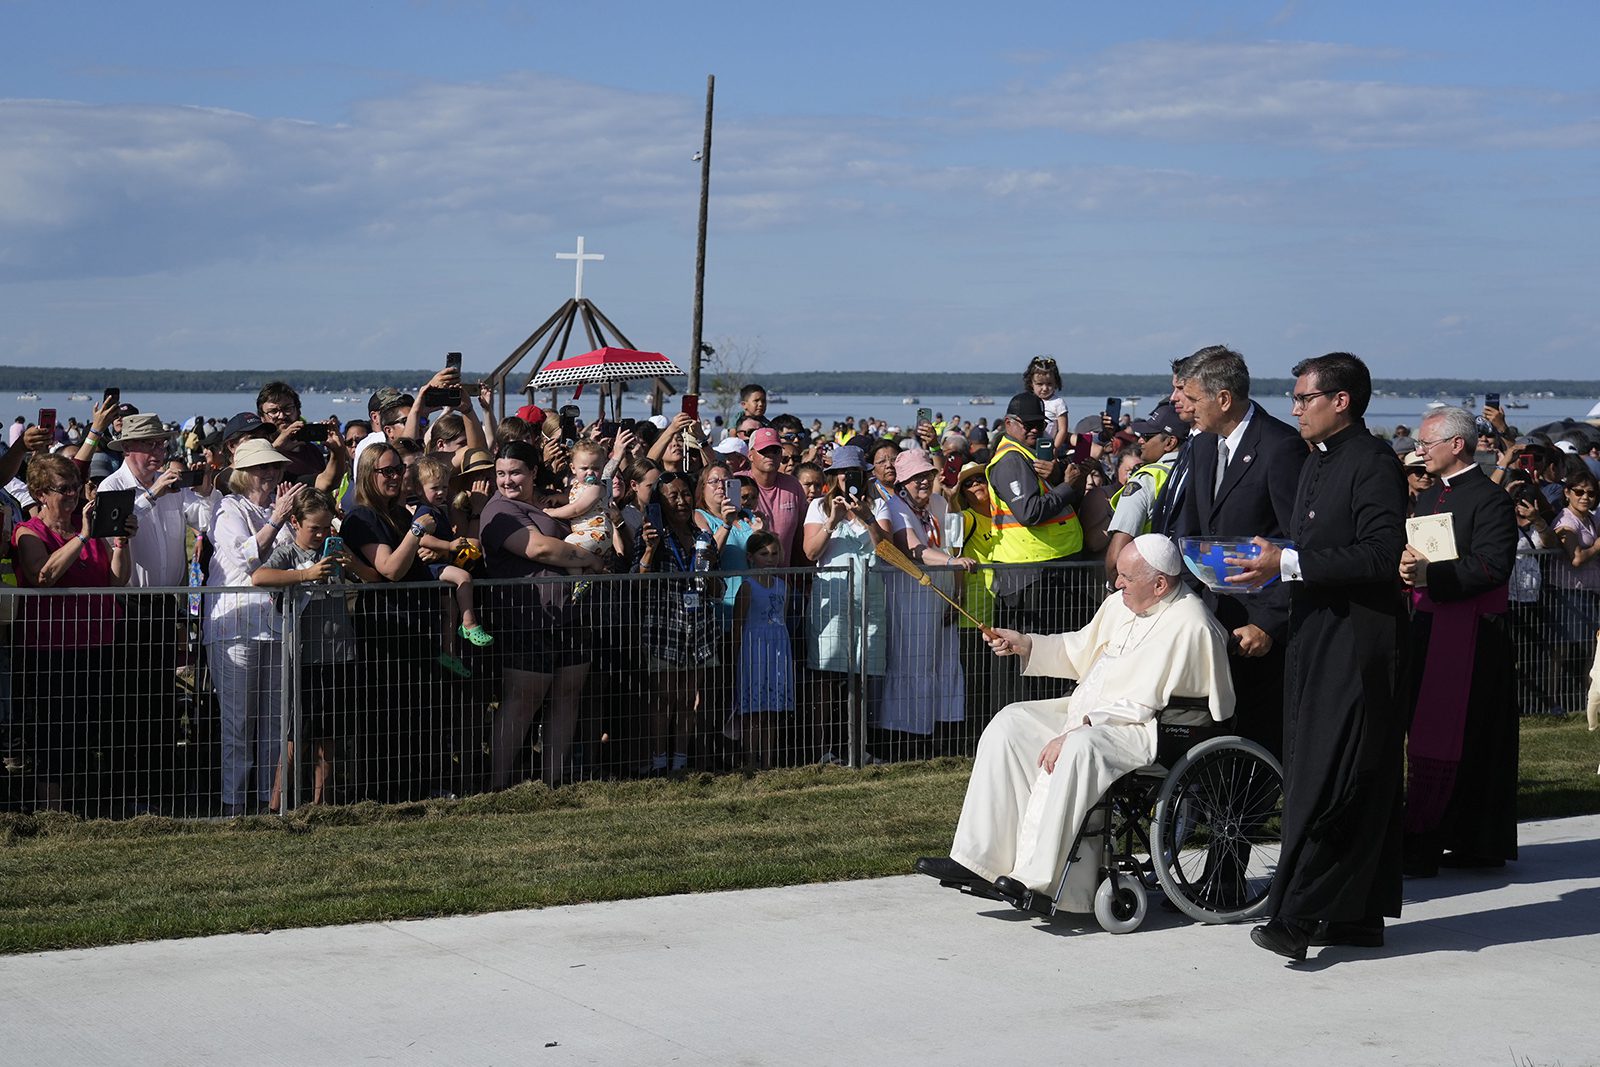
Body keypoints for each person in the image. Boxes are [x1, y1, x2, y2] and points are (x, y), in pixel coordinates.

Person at [914, 536, 1234, 912]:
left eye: (1126, 578)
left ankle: (1037, 881)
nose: (1117, 584)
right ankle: (979, 860)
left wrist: (1080, 728)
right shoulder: (1121, 604)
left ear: (1159, 584)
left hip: (1139, 730)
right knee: (1010, 723)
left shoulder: (1191, 623)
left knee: (1078, 748)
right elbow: (1078, 650)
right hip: (1086, 714)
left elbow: (1166, 704)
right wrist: (1026, 644)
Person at [1228, 352, 1407, 960]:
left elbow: (1383, 554)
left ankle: (1300, 915)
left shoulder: (1374, 461)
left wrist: (1291, 563)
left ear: (1342, 401)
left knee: (1337, 773)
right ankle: (1354, 915)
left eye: (1306, 398)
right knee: (1319, 764)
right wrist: (1269, 559)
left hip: (1359, 642)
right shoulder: (1314, 461)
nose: (1295, 408)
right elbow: (1304, 544)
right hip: (1315, 634)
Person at [1398, 407, 1519, 877]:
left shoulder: (1489, 500)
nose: (1420, 451)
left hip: (1474, 633)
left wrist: (1432, 573)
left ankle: (1469, 839)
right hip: (1430, 623)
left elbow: (1492, 565)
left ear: (1456, 445)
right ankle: (1434, 831)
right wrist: (1408, 569)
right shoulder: (1430, 498)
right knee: (1430, 734)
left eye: (1428, 444)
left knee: (1472, 739)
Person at [1175, 346, 1307, 758]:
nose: (1187, 408)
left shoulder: (1281, 447)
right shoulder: (1200, 447)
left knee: (1258, 733)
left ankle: (1256, 816)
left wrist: (1270, 623)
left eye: (1194, 399)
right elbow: (1192, 529)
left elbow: (1297, 544)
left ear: (1224, 399)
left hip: (1261, 627)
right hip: (1212, 618)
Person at [98, 410, 219, 813]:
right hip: (129, 604)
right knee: (131, 701)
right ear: (128, 448)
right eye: (150, 444)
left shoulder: (170, 485)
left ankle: (161, 788)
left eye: (161, 444)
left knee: (163, 698)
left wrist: (202, 490)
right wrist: (154, 493)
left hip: (166, 603)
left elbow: (204, 520)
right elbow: (114, 526)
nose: (158, 451)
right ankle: (128, 790)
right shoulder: (113, 486)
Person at [478, 441, 605, 788]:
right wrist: (589, 559)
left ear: (533, 472)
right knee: (522, 702)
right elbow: (539, 548)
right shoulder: (498, 511)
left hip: (569, 615)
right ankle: (497, 785)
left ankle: (553, 782)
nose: (508, 480)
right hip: (526, 617)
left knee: (568, 697)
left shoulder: (549, 502)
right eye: (501, 473)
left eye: (516, 472)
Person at [10, 454, 132, 810]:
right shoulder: (30, 532)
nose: (74, 496)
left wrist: (121, 542)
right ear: (40, 493)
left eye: (76, 488)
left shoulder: (88, 528)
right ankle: (52, 813)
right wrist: (82, 536)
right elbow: (42, 576)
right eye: (64, 490)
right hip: (51, 649)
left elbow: (117, 579)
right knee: (53, 734)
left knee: (89, 730)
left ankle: (84, 806)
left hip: (98, 643)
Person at [252, 488, 376, 806]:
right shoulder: (289, 553)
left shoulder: (335, 551)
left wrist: (352, 564)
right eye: (314, 528)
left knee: (330, 737)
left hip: (341, 654)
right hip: (306, 658)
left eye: (325, 528)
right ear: (295, 522)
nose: (321, 534)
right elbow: (259, 577)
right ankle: (276, 805)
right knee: (297, 736)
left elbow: (373, 577)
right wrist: (306, 574)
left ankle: (323, 804)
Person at [204, 438, 303, 815]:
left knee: (274, 721)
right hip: (235, 628)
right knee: (238, 723)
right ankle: (234, 804)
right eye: (263, 468)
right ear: (244, 475)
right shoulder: (227, 508)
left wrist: (288, 519)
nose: (271, 473)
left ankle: (268, 802)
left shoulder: (280, 513)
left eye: (275, 467)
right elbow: (247, 559)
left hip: (276, 626)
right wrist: (277, 518)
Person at [983, 391, 1087, 702]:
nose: (1034, 430)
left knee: (1049, 658)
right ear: (1008, 424)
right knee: (1030, 662)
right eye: (1027, 424)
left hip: (1045, 572)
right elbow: (1030, 512)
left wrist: (1060, 479)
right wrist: (1068, 487)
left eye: (1040, 425)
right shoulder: (1011, 459)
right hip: (1026, 575)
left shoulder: (1032, 457)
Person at [879, 449, 976, 754]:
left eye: (926, 476)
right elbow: (912, 549)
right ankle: (908, 737)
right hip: (911, 594)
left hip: (944, 591)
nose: (923, 482)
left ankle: (942, 732)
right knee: (912, 661)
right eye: (915, 478)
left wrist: (958, 589)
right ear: (903, 482)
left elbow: (955, 547)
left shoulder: (939, 502)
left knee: (945, 660)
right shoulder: (894, 506)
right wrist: (949, 563)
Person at [631, 469, 724, 773]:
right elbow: (637, 583)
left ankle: (681, 762)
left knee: (688, 698)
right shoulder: (652, 535)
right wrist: (649, 549)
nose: (682, 501)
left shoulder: (703, 537)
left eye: (685, 494)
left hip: (697, 627)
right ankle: (658, 762)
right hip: (664, 626)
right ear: (660, 501)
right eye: (673, 496)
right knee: (662, 698)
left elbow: (715, 590)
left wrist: (709, 565)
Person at [802, 445, 889, 764]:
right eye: (843, 473)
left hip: (869, 599)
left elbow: (886, 551)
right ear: (833, 476)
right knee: (825, 676)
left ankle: (858, 748)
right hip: (833, 601)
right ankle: (823, 750)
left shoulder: (878, 506)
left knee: (861, 676)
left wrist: (868, 520)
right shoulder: (818, 507)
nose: (848, 478)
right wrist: (833, 521)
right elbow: (810, 552)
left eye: (855, 473)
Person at [410, 454, 492, 679]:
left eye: (444, 487)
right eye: (435, 487)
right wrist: (449, 545)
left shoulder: (440, 509)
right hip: (434, 567)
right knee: (464, 578)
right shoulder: (425, 512)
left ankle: (449, 652)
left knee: (450, 610)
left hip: (440, 564)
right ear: (419, 489)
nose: (441, 492)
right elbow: (421, 538)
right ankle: (470, 623)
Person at [731, 530, 796, 769]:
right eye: (763, 554)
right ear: (750, 557)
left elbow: (783, 616)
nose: (770, 558)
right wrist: (736, 655)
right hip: (753, 649)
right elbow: (738, 624)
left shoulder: (782, 586)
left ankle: (768, 761)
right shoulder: (747, 587)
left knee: (772, 710)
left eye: (774, 553)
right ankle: (749, 759)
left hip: (777, 647)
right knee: (753, 711)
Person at [1103, 399, 1187, 580]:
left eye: (1148, 436)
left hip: (1146, 584)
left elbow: (1117, 552)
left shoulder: (1146, 480)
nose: (1141, 440)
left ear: (1170, 442)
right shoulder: (1199, 472)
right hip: (1187, 580)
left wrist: (1113, 587)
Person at [1547, 468, 1600, 713]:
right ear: (1567, 493)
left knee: (1589, 650)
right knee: (1562, 650)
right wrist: (1598, 546)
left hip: (1588, 592)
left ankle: (1586, 699)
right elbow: (1576, 558)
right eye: (1579, 492)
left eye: (1590, 493)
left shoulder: (1591, 518)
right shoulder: (1565, 520)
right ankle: (1552, 700)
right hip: (1568, 593)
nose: (1585, 497)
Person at [745, 427, 807, 565]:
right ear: (750, 455)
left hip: (783, 580)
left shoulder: (793, 485)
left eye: (775, 450)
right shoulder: (740, 482)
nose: (770, 455)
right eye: (764, 451)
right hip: (745, 581)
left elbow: (801, 536)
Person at [1023, 355, 1070, 454]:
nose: (1045, 388)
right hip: (1029, 446)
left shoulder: (1058, 403)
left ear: (1056, 383)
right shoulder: (1027, 400)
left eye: (1049, 384)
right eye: (1040, 384)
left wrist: (1055, 448)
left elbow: (1062, 430)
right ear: (1031, 383)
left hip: (1049, 446)